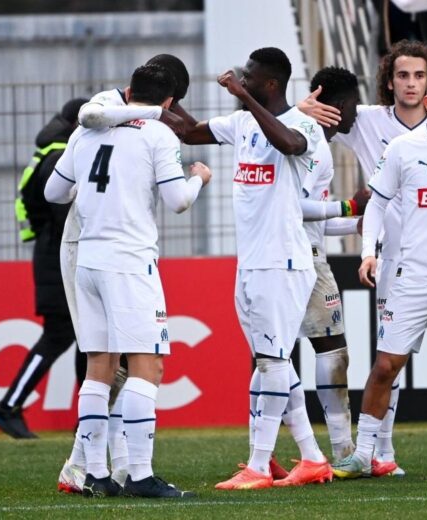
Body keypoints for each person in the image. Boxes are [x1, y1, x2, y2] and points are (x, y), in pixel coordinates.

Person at [301, 39, 427, 476]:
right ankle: (373, 453)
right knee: (386, 364)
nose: (412, 84)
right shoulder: (383, 134)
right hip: (404, 268)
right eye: (403, 75)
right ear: (391, 82)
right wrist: (369, 252)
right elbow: (371, 198)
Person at [45, 63, 209, 498]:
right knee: (148, 365)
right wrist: (198, 179)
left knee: (100, 367)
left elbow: (53, 194)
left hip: (88, 261)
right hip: (130, 262)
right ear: (170, 102)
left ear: (129, 89)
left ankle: (96, 474)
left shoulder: (85, 133)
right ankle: (139, 474)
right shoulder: (158, 135)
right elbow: (177, 202)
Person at [179, 47, 333, 490]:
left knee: (270, 361)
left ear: (269, 84)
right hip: (251, 261)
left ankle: (259, 466)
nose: (240, 80)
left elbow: (287, 145)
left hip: (282, 262)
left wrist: (242, 98)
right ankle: (311, 457)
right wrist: (161, 102)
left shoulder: (303, 125)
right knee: (275, 362)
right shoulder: (244, 122)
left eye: (249, 76)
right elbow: (190, 132)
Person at [0, 97, 88, 440]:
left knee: (82, 340)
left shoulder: (48, 152)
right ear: (77, 124)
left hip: (50, 257)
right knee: (61, 335)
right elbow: (66, 219)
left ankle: (85, 418)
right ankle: (8, 406)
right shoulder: (61, 157)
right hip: (58, 261)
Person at [292, 66, 363, 466]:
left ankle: (263, 453)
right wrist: (352, 206)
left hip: (283, 254)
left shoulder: (300, 132)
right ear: (337, 105)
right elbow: (295, 208)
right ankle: (340, 450)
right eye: (353, 104)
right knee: (332, 349)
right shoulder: (312, 143)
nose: (356, 114)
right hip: (302, 259)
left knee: (273, 356)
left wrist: (355, 222)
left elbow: (312, 214)